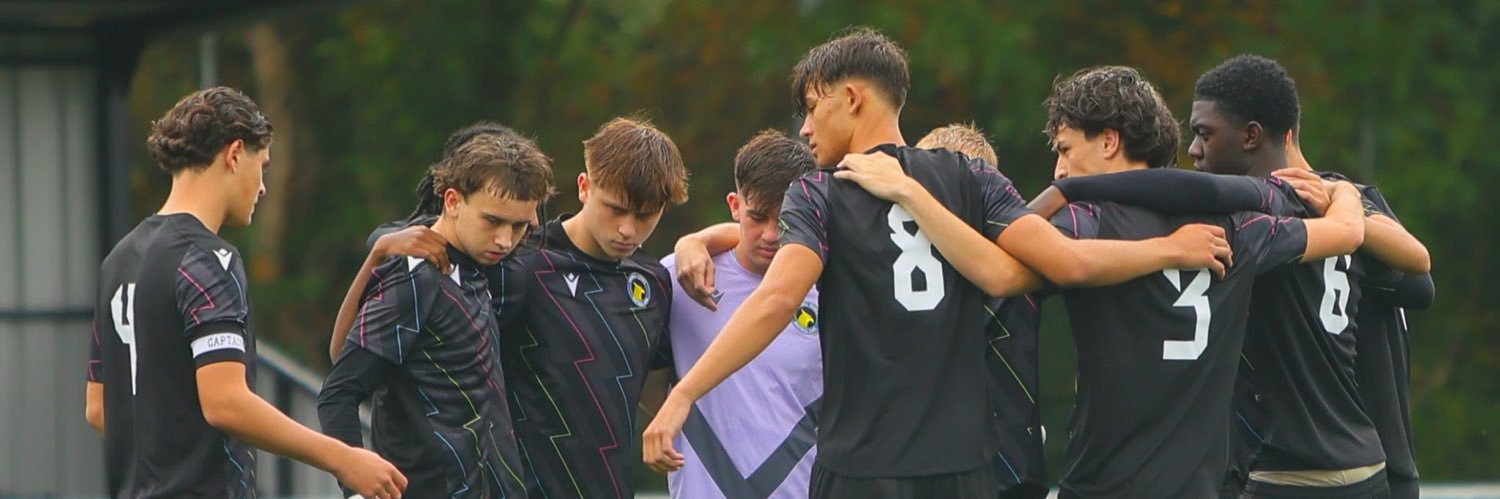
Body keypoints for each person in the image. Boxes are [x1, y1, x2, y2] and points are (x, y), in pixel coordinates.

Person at [643, 28, 1232, 499]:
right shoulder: (970, 176)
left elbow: (775, 299)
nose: (804, 126)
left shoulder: (820, 191)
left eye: (811, 105)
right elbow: (1048, 266)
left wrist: (683, 393)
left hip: (862, 465)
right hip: (963, 466)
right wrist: (1169, 249)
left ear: (852, 97)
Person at [85, 87, 406, 498]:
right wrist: (342, 457)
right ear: (235, 154)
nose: (263, 187)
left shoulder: (118, 260)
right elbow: (225, 402)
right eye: (263, 166)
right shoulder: (209, 260)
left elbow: (99, 407)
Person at [318, 133, 553, 497]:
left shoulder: (480, 265)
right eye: (493, 221)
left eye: (519, 226)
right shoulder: (419, 276)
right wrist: (356, 492)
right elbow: (339, 391)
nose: (506, 240)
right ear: (453, 201)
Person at [495, 117, 690, 498]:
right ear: (585, 187)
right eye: (615, 209)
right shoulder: (520, 263)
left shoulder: (653, 283)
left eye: (645, 215)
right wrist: (385, 243)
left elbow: (653, 389)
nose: (627, 230)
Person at [660, 130, 820, 499]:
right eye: (757, 217)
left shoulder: (828, 289)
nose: (769, 235)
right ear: (734, 205)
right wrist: (691, 241)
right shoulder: (680, 276)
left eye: (784, 222)